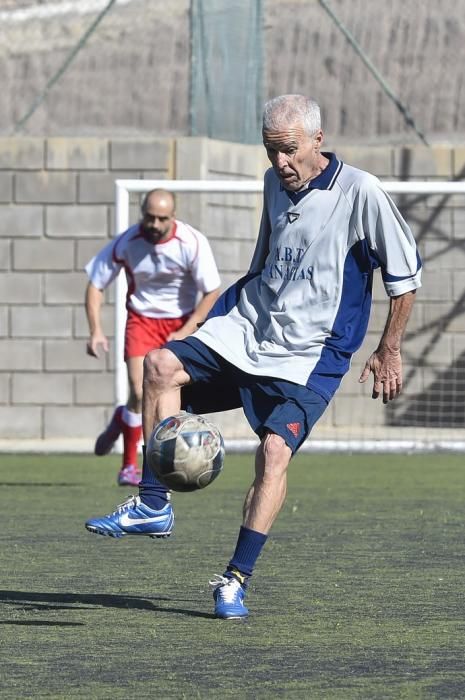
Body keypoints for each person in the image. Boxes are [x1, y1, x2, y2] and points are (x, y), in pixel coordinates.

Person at [85, 95, 422, 619]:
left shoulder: (362, 192)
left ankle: (235, 579)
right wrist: (211, 321)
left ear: (318, 140)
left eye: (289, 151)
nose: (280, 164)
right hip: (250, 332)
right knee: (158, 367)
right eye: (271, 152)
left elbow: (405, 278)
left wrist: (389, 347)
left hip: (311, 355)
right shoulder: (274, 183)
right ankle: (154, 502)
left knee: (272, 453)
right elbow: (262, 263)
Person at [84, 188, 221, 486]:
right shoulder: (128, 241)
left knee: (167, 398)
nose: (155, 224)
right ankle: (131, 467)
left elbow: (212, 291)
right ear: (142, 213)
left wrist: (186, 331)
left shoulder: (192, 242)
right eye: (150, 217)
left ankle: (127, 421)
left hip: (182, 321)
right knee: (140, 389)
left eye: (162, 218)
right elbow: (95, 283)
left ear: (173, 216)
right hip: (142, 321)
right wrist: (95, 329)